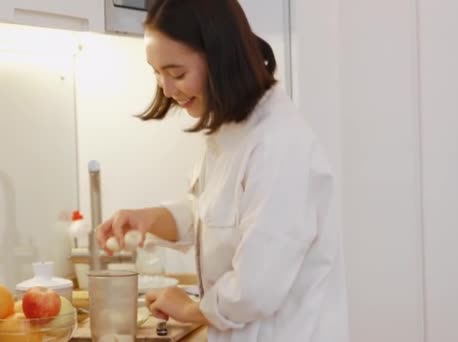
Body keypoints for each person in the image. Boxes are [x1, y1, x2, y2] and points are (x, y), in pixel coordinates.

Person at [95, 0, 350, 341]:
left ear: (220, 57)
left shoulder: (279, 144)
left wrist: (189, 309)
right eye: (157, 74)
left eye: (177, 73)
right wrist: (150, 218)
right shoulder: (230, 130)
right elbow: (213, 217)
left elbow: (255, 288)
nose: (167, 90)